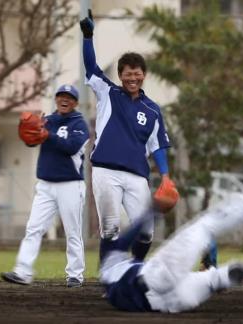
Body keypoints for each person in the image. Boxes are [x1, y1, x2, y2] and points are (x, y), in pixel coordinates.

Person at [80, 11, 173, 260]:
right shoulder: (108, 92)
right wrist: (88, 37)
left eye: (137, 73)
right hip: (105, 171)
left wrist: (165, 176)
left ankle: (135, 269)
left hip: (137, 176)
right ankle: (109, 278)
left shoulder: (153, 109)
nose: (133, 78)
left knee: (146, 231)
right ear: (120, 76)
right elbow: (91, 67)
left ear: (144, 75)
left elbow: (158, 146)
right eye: (127, 74)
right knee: (110, 229)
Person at [99, 187, 243, 313]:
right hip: (155, 277)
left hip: (166, 303)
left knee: (211, 280)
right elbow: (129, 237)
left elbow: (131, 245)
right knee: (204, 226)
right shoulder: (110, 261)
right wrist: (151, 211)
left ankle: (228, 275)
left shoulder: (111, 283)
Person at [1, 84, 90, 288]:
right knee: (33, 228)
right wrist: (28, 133)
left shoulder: (79, 124)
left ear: (75, 102)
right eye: (61, 96)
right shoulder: (47, 120)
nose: (64, 99)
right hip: (45, 184)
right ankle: (22, 272)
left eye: (69, 97)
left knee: (72, 231)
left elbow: (71, 147)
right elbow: (32, 142)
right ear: (56, 99)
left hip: (70, 184)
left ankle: (75, 274)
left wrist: (48, 135)